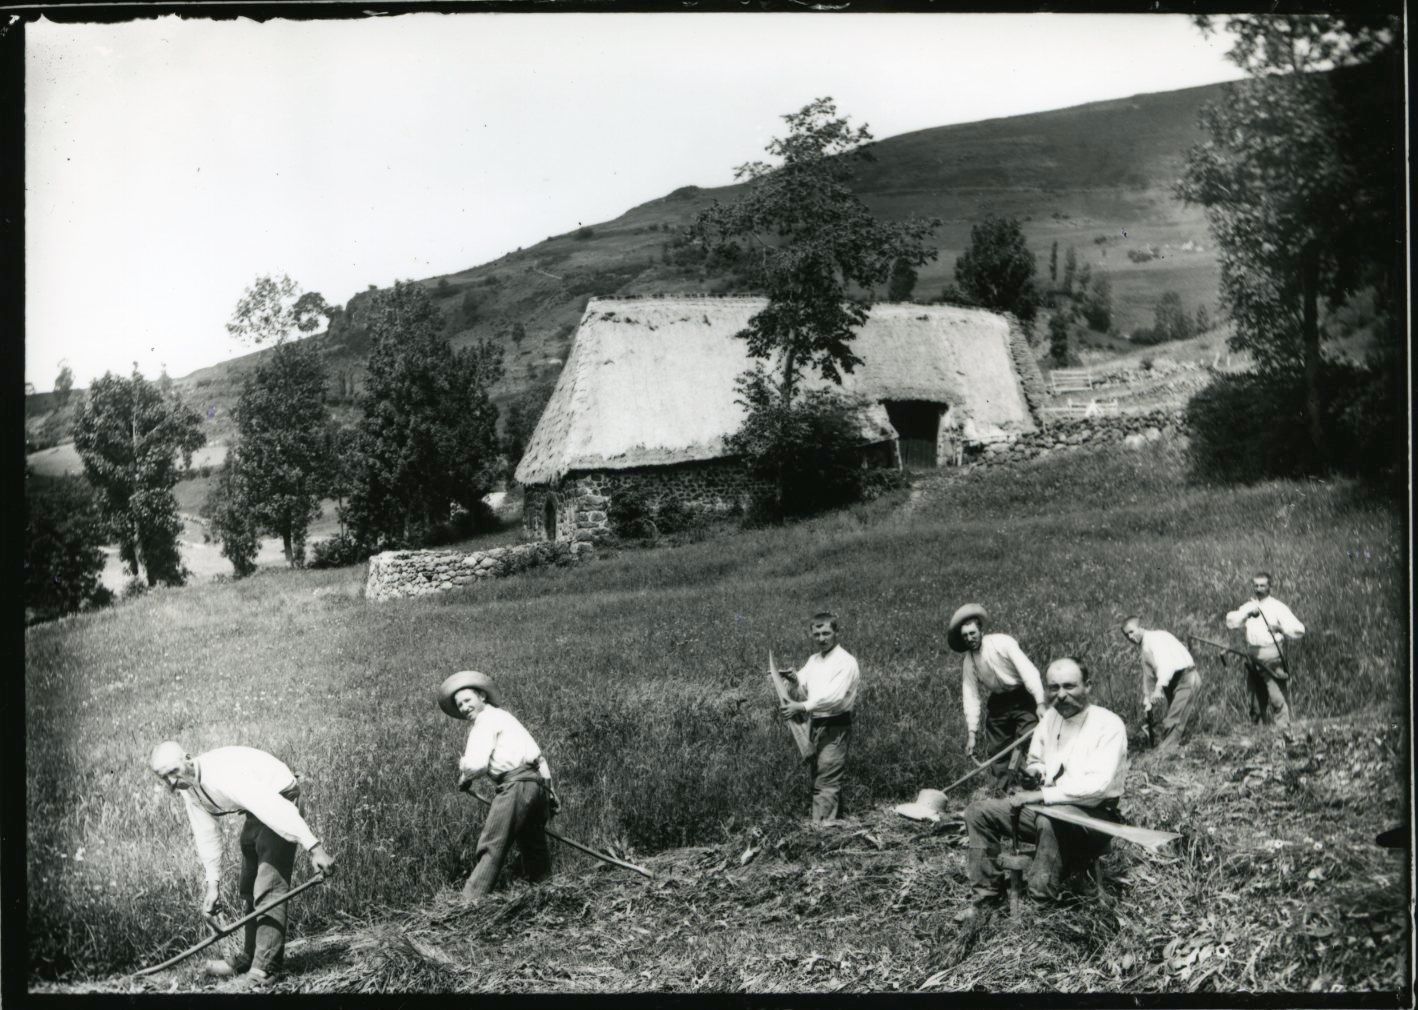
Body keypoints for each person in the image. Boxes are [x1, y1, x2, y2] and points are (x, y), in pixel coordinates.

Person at [148, 741, 335, 992]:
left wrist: (314, 847)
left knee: (268, 887)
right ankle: (250, 957)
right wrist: (212, 885)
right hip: (254, 809)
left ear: (188, 759)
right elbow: (205, 833)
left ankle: (265, 968)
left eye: (173, 772)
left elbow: (273, 807)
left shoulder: (223, 775)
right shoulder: (187, 786)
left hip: (280, 798)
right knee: (248, 885)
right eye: (164, 778)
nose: (170, 783)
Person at [958, 658, 1128, 920]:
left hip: (1093, 819)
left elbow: (1098, 785)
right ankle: (987, 899)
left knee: (1050, 820)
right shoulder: (1050, 718)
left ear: (1088, 686)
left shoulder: (1109, 725)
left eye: (1069, 686)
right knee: (978, 812)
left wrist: (1041, 794)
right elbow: (1038, 761)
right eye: (1053, 687)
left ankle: (1040, 909)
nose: (1060, 695)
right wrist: (1035, 776)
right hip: (1048, 808)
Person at [439, 670, 561, 901]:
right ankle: (546, 893)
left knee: (493, 842)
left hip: (515, 786)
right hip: (537, 785)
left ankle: (469, 902)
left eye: (467, 700)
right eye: (459, 705)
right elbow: (540, 759)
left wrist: (465, 775)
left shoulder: (484, 721)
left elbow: (476, 765)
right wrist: (550, 791)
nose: (464, 708)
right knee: (533, 842)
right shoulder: (506, 717)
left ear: (482, 697)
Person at [947, 603, 1048, 791]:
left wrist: (1040, 703)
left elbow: (1028, 672)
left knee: (1027, 742)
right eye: (965, 636)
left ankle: (1031, 786)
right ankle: (1006, 791)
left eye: (973, 633)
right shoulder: (969, 662)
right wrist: (972, 734)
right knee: (998, 751)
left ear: (981, 630)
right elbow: (971, 696)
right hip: (999, 703)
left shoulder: (1002, 643)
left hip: (1022, 697)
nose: (970, 639)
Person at [778, 611, 860, 823]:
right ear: (811, 634)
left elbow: (834, 697)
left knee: (826, 780)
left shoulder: (846, 661)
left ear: (836, 632)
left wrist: (801, 707)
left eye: (826, 633)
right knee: (819, 778)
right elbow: (804, 684)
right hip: (816, 724)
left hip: (836, 725)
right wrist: (794, 679)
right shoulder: (814, 660)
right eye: (817, 634)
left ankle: (823, 833)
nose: (821, 639)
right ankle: (830, 824)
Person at [1225, 571, 1305, 727]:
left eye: (1262, 585)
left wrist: (1280, 628)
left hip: (1272, 655)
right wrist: (1247, 615)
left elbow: (1299, 629)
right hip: (1252, 654)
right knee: (1255, 697)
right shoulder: (1249, 606)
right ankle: (1259, 730)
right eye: (1256, 585)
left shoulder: (1277, 607)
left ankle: (1283, 728)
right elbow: (1231, 621)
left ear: (1270, 587)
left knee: (1276, 696)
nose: (1259, 588)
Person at [1121, 617, 1202, 750]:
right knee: (1174, 718)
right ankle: (1176, 748)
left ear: (1140, 627)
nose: (1130, 637)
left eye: (1131, 631)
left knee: (1174, 721)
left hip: (1186, 677)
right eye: (1126, 635)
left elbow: (1166, 665)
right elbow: (1148, 676)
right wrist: (1147, 700)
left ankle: (1162, 756)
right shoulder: (1144, 647)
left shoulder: (1157, 638)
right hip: (1172, 682)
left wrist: (1158, 689)